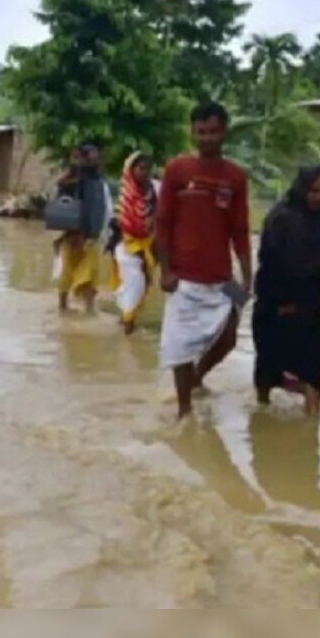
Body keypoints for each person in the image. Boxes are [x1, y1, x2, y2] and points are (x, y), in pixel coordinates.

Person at [156, 101, 252, 421]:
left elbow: (240, 230)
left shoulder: (236, 177)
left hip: (222, 277)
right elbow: (164, 223)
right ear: (192, 134)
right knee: (180, 345)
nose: (207, 138)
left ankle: (198, 378)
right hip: (183, 277)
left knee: (229, 338)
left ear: (224, 132)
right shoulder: (177, 170)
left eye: (213, 131)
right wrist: (165, 271)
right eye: (201, 132)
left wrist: (247, 277)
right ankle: (184, 410)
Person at [252, 166, 320, 417]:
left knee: (312, 366)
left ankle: (312, 424)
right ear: (302, 189)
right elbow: (269, 261)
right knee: (268, 368)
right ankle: (261, 413)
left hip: (310, 304)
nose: (318, 197)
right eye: (313, 191)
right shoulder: (280, 218)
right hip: (277, 305)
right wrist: (282, 302)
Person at [106, 151, 162, 335]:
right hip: (127, 247)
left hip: (149, 244)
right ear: (131, 170)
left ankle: (127, 321)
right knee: (133, 283)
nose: (144, 172)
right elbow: (122, 224)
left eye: (148, 168)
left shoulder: (156, 189)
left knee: (144, 285)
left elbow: (164, 213)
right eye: (140, 168)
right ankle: (128, 332)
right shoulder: (126, 195)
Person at [55, 143, 112, 314]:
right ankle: (63, 308)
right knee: (66, 274)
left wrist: (102, 234)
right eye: (90, 156)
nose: (94, 160)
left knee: (91, 276)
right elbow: (62, 208)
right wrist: (69, 233)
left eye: (97, 156)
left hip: (92, 236)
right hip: (71, 235)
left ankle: (89, 309)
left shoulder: (99, 183)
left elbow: (102, 210)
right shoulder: (72, 181)